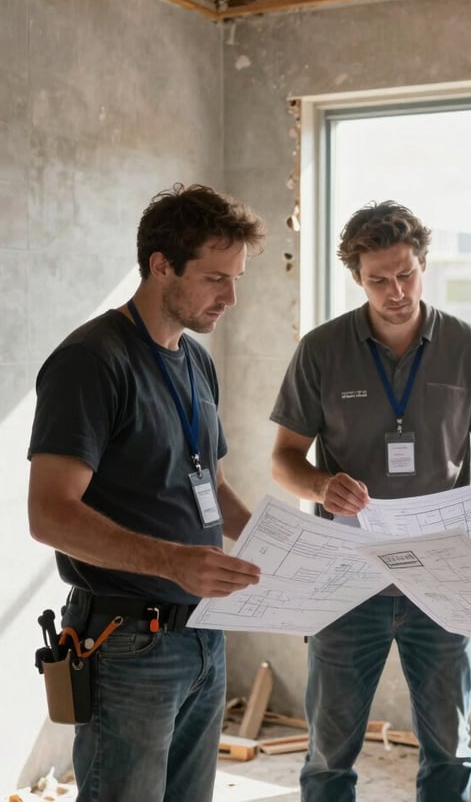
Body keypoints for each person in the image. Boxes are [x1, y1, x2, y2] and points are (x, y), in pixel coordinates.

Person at [270, 200, 471, 802]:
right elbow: (283, 460)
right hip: (348, 578)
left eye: (406, 273)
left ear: (423, 264)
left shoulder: (468, 347)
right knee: (328, 756)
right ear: (357, 277)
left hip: (443, 576)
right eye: (378, 279)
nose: (396, 290)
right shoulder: (321, 350)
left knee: (449, 754)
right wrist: (320, 486)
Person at [27, 184, 266, 802]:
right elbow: (49, 514)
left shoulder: (195, 360)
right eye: (216, 278)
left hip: (204, 635)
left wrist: (282, 540)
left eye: (236, 278)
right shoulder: (91, 361)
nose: (231, 297)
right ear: (161, 265)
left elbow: (209, 485)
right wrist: (173, 561)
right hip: (126, 642)